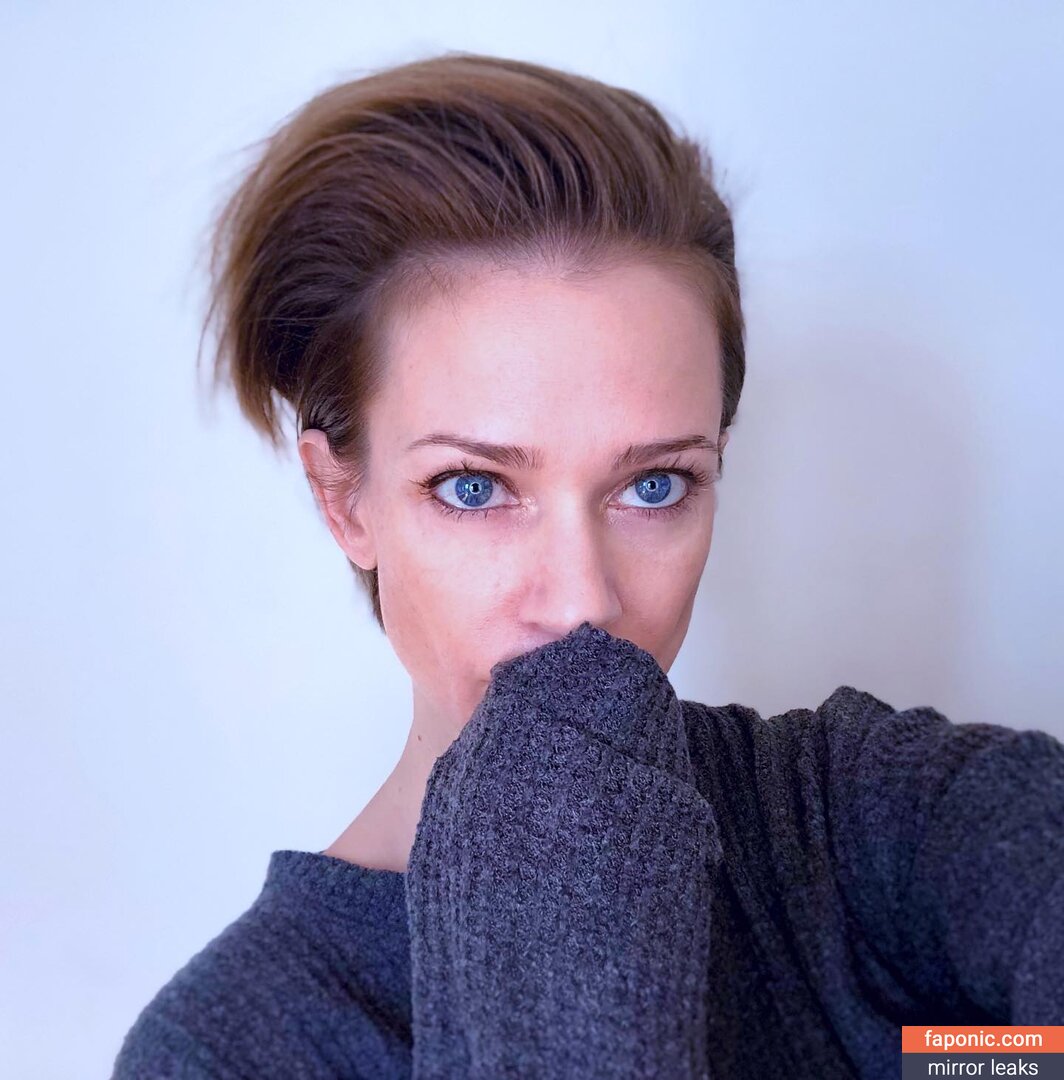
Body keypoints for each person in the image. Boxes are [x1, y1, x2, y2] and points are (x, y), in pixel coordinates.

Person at [111, 50, 1064, 1079]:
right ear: (345, 501)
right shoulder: (232, 1053)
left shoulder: (855, 821)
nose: (580, 601)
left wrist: (973, 1063)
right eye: (473, 487)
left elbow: (1025, 1053)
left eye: (653, 485)